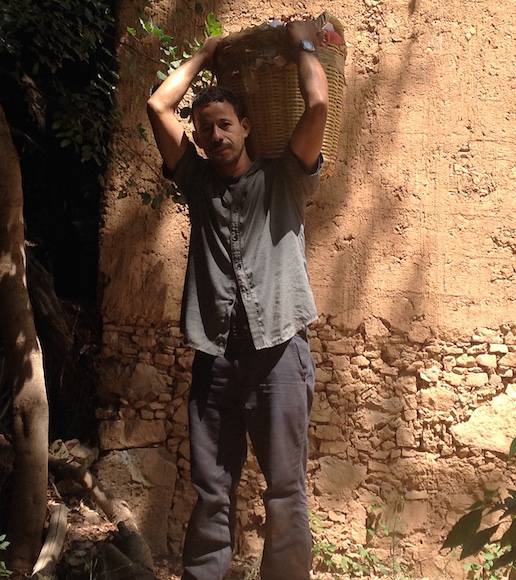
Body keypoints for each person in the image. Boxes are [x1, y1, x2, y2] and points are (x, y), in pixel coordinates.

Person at [146, 19, 329, 580]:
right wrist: (205, 52)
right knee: (212, 492)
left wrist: (303, 43)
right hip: (217, 359)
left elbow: (319, 104)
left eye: (224, 124)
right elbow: (157, 106)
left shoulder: (285, 178)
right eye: (204, 129)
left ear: (246, 127)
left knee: (285, 492)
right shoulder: (197, 183)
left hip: (279, 355)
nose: (214, 135)